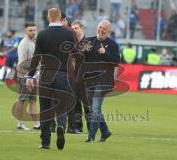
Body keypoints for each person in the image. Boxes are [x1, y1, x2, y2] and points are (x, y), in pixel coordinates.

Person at [26, 8, 76, 150]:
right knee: (61, 106)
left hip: (46, 74)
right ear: (60, 17)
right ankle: (61, 126)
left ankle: (45, 142)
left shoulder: (42, 34)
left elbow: (36, 57)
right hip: (62, 74)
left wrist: (30, 76)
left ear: (48, 17)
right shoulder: (68, 33)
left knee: (46, 108)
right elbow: (76, 53)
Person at [84, 20, 120, 142]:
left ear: (108, 31)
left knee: (95, 108)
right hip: (89, 80)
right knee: (91, 108)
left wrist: (105, 54)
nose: (101, 30)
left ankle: (91, 136)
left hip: (103, 81)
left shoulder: (113, 45)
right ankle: (105, 131)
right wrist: (84, 51)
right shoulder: (88, 41)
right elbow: (78, 58)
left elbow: (115, 62)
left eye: (104, 28)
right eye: (100, 27)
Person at [15, 22, 40, 130]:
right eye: (30, 30)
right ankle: (20, 123)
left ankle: (36, 124)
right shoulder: (23, 44)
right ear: (25, 31)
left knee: (33, 100)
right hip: (25, 76)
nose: (33, 32)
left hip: (33, 76)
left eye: (34, 30)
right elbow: (21, 63)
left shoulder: (34, 42)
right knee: (22, 100)